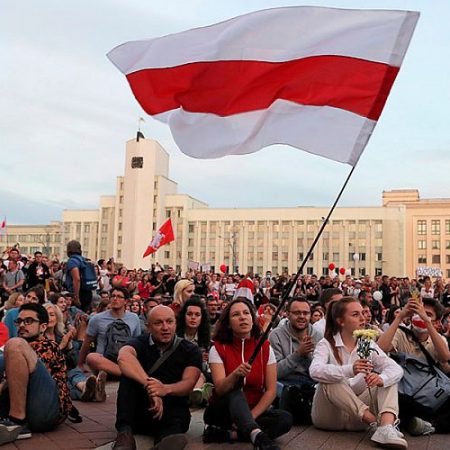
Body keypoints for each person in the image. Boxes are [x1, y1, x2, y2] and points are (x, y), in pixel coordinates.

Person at [309, 297, 406, 449]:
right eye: (355, 314)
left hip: (358, 422)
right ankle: (376, 423)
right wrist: (349, 370)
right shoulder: (326, 343)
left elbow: (395, 368)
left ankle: (386, 428)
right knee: (331, 379)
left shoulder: (367, 343)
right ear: (341, 321)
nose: (363, 318)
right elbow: (314, 371)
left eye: (363, 313)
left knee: (388, 379)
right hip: (330, 417)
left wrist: (381, 379)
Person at [203, 297, 292, 450]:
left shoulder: (265, 348)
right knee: (235, 391)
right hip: (223, 411)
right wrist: (235, 375)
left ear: (253, 319)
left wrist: (250, 417)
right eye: (236, 314)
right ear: (228, 323)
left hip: (253, 411)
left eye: (246, 313)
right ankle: (257, 436)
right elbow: (220, 389)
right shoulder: (218, 348)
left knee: (285, 419)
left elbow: (271, 391)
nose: (242, 317)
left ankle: (232, 435)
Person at [113, 305, 202, 450]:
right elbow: (123, 357)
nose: (165, 327)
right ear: (148, 326)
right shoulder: (140, 342)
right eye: (158, 323)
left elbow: (189, 383)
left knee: (173, 431)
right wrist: (151, 388)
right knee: (128, 376)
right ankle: (124, 435)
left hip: (171, 412)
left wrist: (165, 389)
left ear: (176, 324)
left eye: (169, 322)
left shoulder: (190, 350)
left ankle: (164, 444)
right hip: (140, 411)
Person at [0, 303, 72, 445]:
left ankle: (17, 422)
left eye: (28, 321)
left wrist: (2, 385)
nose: (22, 325)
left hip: (48, 409)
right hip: (25, 408)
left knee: (15, 344)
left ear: (43, 327)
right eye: (19, 321)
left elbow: (24, 377)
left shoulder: (49, 346)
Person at [378, 298, 450, 434]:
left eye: (428, 314)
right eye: (418, 312)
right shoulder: (400, 333)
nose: (421, 315)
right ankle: (427, 424)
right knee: (397, 399)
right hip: (406, 392)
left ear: (436, 321)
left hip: (430, 394)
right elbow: (380, 349)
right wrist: (399, 317)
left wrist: (427, 322)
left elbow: (445, 357)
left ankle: (430, 425)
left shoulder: (437, 339)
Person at [269, 297, 321, 420]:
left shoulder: (318, 336)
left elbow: (319, 372)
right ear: (287, 314)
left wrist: (307, 355)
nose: (302, 316)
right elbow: (274, 373)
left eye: (306, 313)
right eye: (297, 313)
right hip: (284, 383)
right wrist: (298, 354)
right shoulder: (276, 335)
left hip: (310, 383)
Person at [77, 286, 141, 382]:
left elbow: (137, 343)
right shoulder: (97, 319)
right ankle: (128, 374)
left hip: (125, 360)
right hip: (104, 362)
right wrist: (80, 364)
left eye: (119, 297)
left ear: (126, 301)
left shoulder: (134, 318)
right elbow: (87, 342)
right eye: (113, 296)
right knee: (91, 357)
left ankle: (124, 373)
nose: (115, 299)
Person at [176, 297, 212, 406]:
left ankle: (196, 393)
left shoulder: (207, 341)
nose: (193, 318)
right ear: (183, 316)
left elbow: (208, 367)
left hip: (201, 373)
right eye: (189, 314)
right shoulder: (175, 337)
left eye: (197, 315)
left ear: (202, 318)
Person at [65, 240, 94, 312]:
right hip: (88, 291)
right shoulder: (84, 260)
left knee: (76, 314)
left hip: (78, 292)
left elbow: (76, 278)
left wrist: (76, 296)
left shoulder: (72, 261)